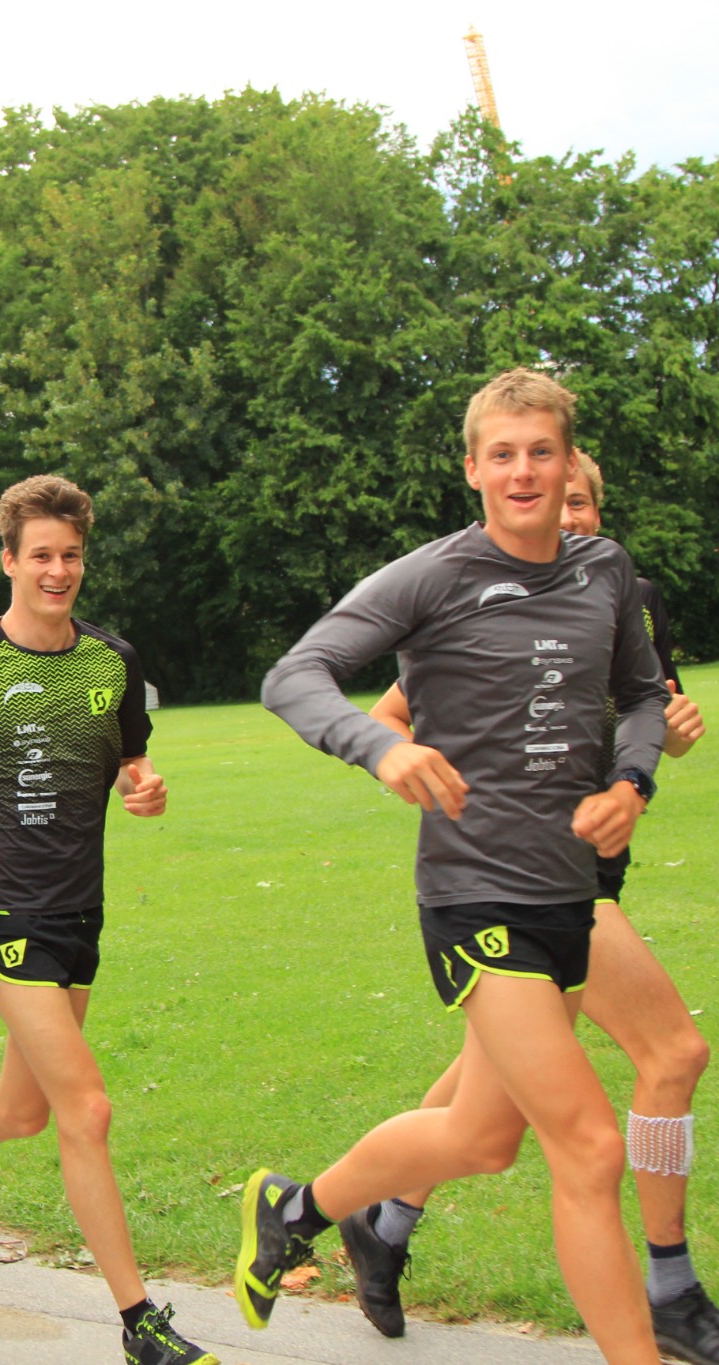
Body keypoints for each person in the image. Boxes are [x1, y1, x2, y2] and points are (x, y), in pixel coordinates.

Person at [238, 369, 669, 1364]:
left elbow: (643, 694)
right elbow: (294, 675)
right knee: (588, 1146)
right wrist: (379, 747)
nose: (523, 472)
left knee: (481, 1137)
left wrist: (631, 782)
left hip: (569, 893)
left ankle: (295, 1210)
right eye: (502, 454)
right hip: (475, 891)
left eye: (541, 452)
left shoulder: (604, 571)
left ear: (567, 461)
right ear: (472, 467)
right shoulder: (430, 576)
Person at [343, 455, 719, 1365]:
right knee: (673, 1053)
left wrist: (669, 741)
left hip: (591, 868)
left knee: (483, 1088)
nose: (566, 515)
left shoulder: (623, 595)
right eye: (554, 499)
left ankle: (380, 1221)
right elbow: (389, 715)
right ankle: (670, 1290)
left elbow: (642, 719)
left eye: (581, 501)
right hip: (522, 877)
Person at [0, 476, 217, 1365]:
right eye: (40, 556)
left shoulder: (113, 660)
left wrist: (146, 787)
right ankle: (139, 1323)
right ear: (9, 561)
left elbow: (133, 762)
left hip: (78, 909)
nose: (57, 571)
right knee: (85, 1109)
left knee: (23, 1109)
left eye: (70, 556)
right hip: (1, 906)